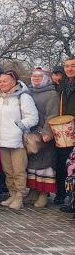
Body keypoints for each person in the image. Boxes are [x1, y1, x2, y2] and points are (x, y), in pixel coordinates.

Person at [0, 70, 38, 210]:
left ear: (13, 82)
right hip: (1, 140)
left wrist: (19, 127)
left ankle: (20, 197)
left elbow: (33, 117)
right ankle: (12, 193)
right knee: (8, 170)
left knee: (19, 171)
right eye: (0, 81)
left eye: (5, 81)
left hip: (17, 141)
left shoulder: (23, 97)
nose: (1, 84)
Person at [25, 68, 59, 207]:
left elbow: (52, 115)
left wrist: (47, 133)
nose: (36, 79)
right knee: (32, 164)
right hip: (30, 134)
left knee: (45, 165)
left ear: (46, 78)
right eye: (34, 76)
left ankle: (44, 194)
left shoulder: (52, 95)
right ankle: (33, 191)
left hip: (44, 135)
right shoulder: (28, 91)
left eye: (39, 77)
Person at [55, 58, 75, 207]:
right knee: (62, 163)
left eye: (73, 66)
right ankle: (62, 195)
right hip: (63, 130)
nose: (69, 69)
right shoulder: (61, 85)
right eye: (67, 66)